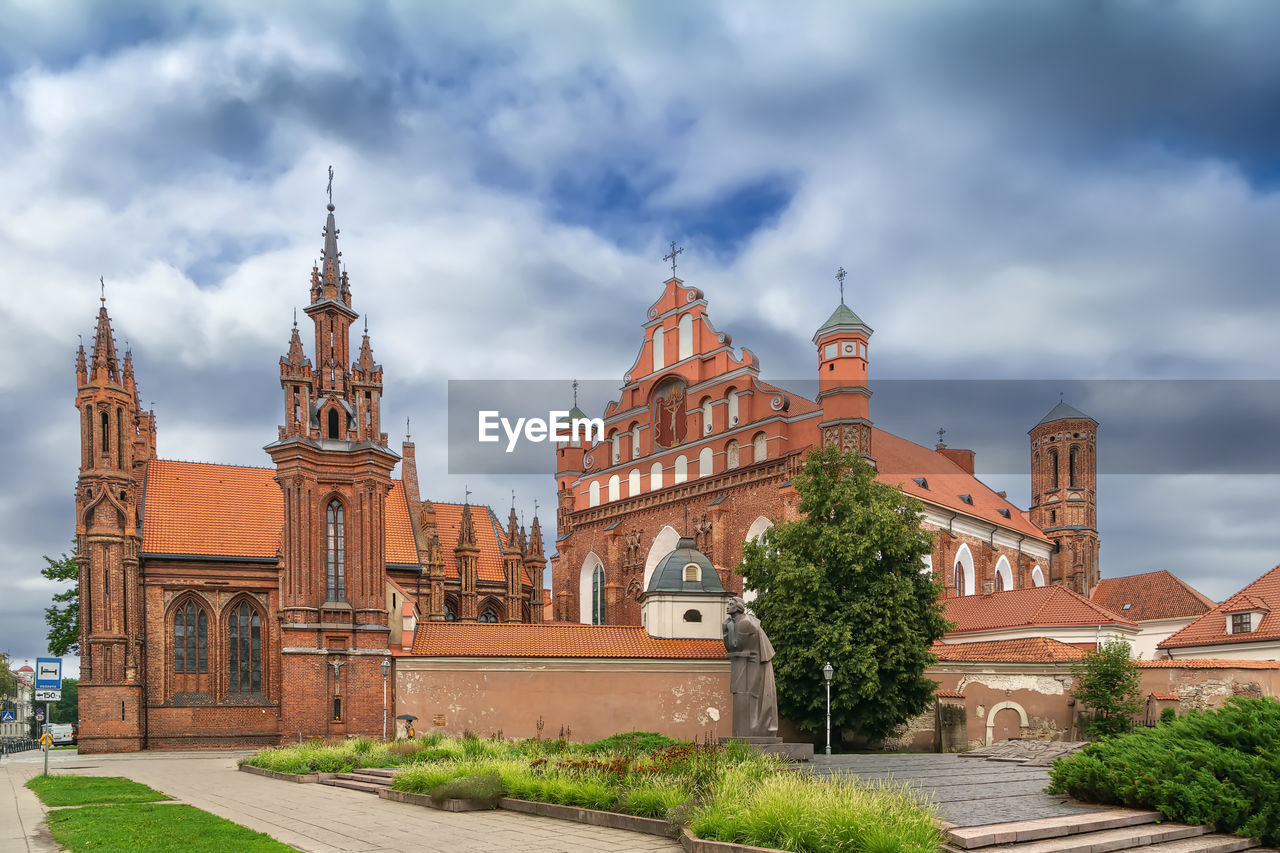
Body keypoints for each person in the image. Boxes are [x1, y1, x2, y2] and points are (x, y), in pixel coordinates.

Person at [722, 596, 778, 738]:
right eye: (728, 603)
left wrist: (729, 630)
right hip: (743, 659)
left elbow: (739, 645)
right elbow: (732, 646)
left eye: (731, 603)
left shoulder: (745, 622)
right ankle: (746, 731)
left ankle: (756, 728)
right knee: (743, 692)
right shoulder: (729, 622)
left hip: (755, 661)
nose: (728, 606)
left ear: (739, 607)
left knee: (753, 693)